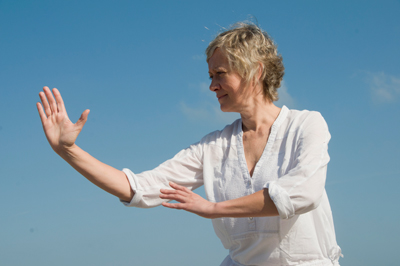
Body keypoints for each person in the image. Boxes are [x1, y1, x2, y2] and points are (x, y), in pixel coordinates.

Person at [37, 22, 342, 266]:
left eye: (220, 74)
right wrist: (68, 151)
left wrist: (214, 208)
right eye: (210, 75)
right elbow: (139, 188)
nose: (211, 86)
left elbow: (304, 193)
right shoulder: (213, 147)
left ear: (256, 71)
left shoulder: (306, 124)